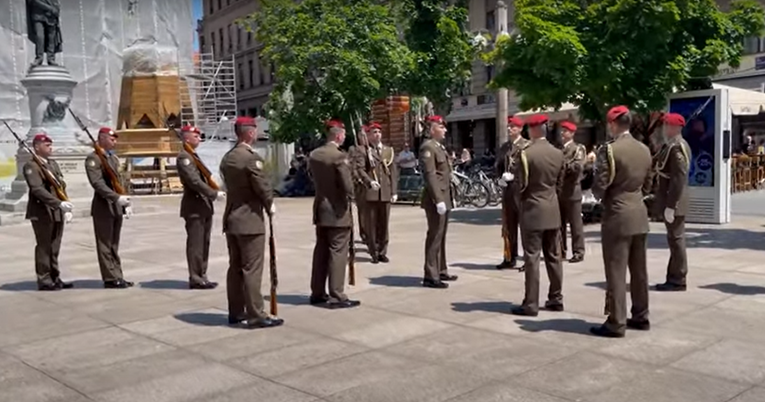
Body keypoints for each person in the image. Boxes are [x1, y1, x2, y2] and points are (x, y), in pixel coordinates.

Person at [590, 105, 653, 338]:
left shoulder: (610, 150)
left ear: (613, 125)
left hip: (618, 214)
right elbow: (648, 184)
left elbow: (601, 183)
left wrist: (598, 195)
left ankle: (616, 321)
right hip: (639, 212)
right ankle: (641, 315)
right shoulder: (644, 149)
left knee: (616, 270)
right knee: (639, 271)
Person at [219, 117, 282, 328]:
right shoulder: (250, 158)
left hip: (232, 219)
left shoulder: (228, 158)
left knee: (235, 268)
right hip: (250, 220)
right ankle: (256, 314)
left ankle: (236, 311)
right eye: (255, 130)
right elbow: (261, 185)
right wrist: (269, 204)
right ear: (250, 133)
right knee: (252, 269)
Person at [508, 114, 565, 316]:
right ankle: (556, 298)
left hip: (532, 209)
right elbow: (560, 184)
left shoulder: (526, 153)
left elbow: (520, 186)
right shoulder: (558, 153)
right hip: (552, 208)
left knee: (532, 257)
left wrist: (520, 204)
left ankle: (531, 303)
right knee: (553, 256)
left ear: (531, 130)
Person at [308, 119, 361, 309]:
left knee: (321, 251)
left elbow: (311, 177)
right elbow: (347, 186)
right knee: (338, 252)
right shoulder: (339, 156)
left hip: (321, 208)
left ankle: (317, 292)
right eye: (344, 135)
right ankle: (337, 294)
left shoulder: (314, 154)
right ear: (339, 136)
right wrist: (355, 195)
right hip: (338, 210)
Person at [177, 125, 226, 290]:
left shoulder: (193, 156)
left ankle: (202, 275)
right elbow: (194, 181)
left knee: (204, 243)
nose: (199, 138)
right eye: (195, 136)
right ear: (186, 138)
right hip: (194, 206)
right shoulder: (184, 157)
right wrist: (213, 193)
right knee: (196, 244)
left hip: (203, 206)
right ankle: (196, 277)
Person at [23, 134, 73, 291]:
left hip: (56, 211)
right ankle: (44, 279)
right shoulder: (31, 166)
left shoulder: (52, 164)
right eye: (47, 145)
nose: (50, 148)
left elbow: (60, 186)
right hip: (42, 212)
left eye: (51, 145)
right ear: (37, 147)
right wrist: (58, 203)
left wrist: (66, 206)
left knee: (55, 246)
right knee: (44, 246)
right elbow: (37, 189)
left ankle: (54, 276)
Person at [85, 127, 133, 289]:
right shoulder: (94, 159)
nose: (115, 142)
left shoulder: (112, 159)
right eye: (112, 139)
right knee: (105, 244)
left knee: (114, 244)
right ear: (102, 138)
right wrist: (116, 198)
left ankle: (117, 274)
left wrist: (125, 203)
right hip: (103, 207)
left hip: (116, 207)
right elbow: (97, 183)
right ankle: (110, 278)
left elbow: (118, 182)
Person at [653, 113, 691, 292]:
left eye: (667, 125)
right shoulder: (671, 146)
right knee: (674, 240)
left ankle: (678, 278)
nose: (665, 128)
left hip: (674, 200)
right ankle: (673, 276)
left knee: (676, 240)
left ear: (676, 127)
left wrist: (671, 204)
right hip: (671, 198)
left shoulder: (677, 148)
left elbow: (678, 178)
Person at [419, 115, 457, 289]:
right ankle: (430, 274)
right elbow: (430, 175)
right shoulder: (428, 147)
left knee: (441, 236)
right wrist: (438, 199)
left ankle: (441, 269)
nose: (445, 130)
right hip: (436, 199)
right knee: (435, 235)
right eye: (441, 127)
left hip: (445, 197)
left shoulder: (439, 147)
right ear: (432, 129)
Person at [354, 121, 399, 263]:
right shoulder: (363, 150)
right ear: (368, 135)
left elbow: (393, 173)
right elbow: (360, 169)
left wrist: (394, 191)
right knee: (371, 224)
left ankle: (382, 251)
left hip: (385, 192)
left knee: (384, 224)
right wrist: (369, 182)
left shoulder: (388, 151)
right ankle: (373, 252)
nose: (377, 134)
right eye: (374, 132)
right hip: (371, 193)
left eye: (379, 132)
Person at [496, 116, 528, 270]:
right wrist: (500, 179)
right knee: (509, 226)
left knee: (525, 227)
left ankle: (528, 259)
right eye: (509, 126)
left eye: (513, 127)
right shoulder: (504, 147)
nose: (510, 129)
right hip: (508, 192)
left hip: (521, 191)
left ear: (520, 129)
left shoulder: (526, 146)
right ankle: (509, 257)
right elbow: (498, 166)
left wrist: (516, 177)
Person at [558, 121, 586, 263]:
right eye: (562, 131)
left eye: (566, 131)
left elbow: (577, 168)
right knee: (559, 224)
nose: (562, 133)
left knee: (576, 224)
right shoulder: (558, 150)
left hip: (572, 191)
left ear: (572, 133)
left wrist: (562, 166)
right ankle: (561, 250)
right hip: (560, 192)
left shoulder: (578, 149)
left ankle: (578, 251)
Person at [350, 127, 370, 243]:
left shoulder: (371, 149)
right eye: (361, 136)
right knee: (363, 211)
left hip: (372, 183)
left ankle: (373, 234)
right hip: (361, 184)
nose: (364, 138)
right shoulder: (354, 149)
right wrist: (357, 178)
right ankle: (364, 234)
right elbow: (353, 166)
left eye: (365, 135)